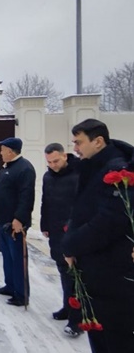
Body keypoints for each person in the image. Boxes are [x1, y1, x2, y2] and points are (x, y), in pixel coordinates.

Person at [61, 119, 134, 352]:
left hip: (113, 276)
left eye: (79, 142)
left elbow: (110, 222)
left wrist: (71, 244)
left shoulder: (117, 170)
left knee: (115, 341)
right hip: (94, 273)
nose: (75, 148)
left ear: (98, 141)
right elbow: (82, 210)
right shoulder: (93, 167)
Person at [39, 143, 82, 337]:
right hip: (56, 232)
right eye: (49, 162)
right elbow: (45, 202)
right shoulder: (48, 176)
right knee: (64, 272)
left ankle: (78, 319)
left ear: (65, 156)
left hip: (75, 233)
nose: (53, 165)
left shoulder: (79, 174)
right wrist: (44, 225)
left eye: (56, 160)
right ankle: (67, 307)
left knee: (76, 276)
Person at [0, 137, 35, 306]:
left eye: (2, 149)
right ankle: (10, 285)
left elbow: (26, 197)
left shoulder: (24, 168)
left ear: (10, 150)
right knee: (7, 256)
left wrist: (19, 219)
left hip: (14, 223)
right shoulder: (7, 168)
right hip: (2, 222)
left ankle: (22, 294)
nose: (0, 153)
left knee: (17, 258)